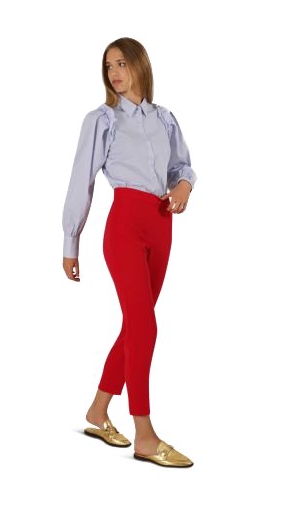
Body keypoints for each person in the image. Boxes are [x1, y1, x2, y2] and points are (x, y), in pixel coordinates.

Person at [61, 37, 197, 468]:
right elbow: (81, 180)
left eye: (121, 63)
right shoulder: (102, 120)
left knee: (137, 326)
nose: (114, 73)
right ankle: (144, 433)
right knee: (145, 326)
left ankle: (98, 411)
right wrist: (71, 241)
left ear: (140, 65)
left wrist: (183, 186)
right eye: (108, 66)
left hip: (162, 226)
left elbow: (182, 167)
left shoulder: (165, 118)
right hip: (125, 227)